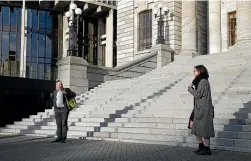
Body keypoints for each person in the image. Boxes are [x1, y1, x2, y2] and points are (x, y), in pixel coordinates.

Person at [187, 65, 215, 155]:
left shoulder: (203, 82)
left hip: (204, 110)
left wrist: (190, 89)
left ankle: (207, 149)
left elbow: (198, 95)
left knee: (205, 129)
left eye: (195, 71)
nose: (193, 73)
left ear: (199, 71)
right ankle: (201, 146)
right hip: (198, 108)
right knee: (193, 126)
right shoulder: (199, 81)